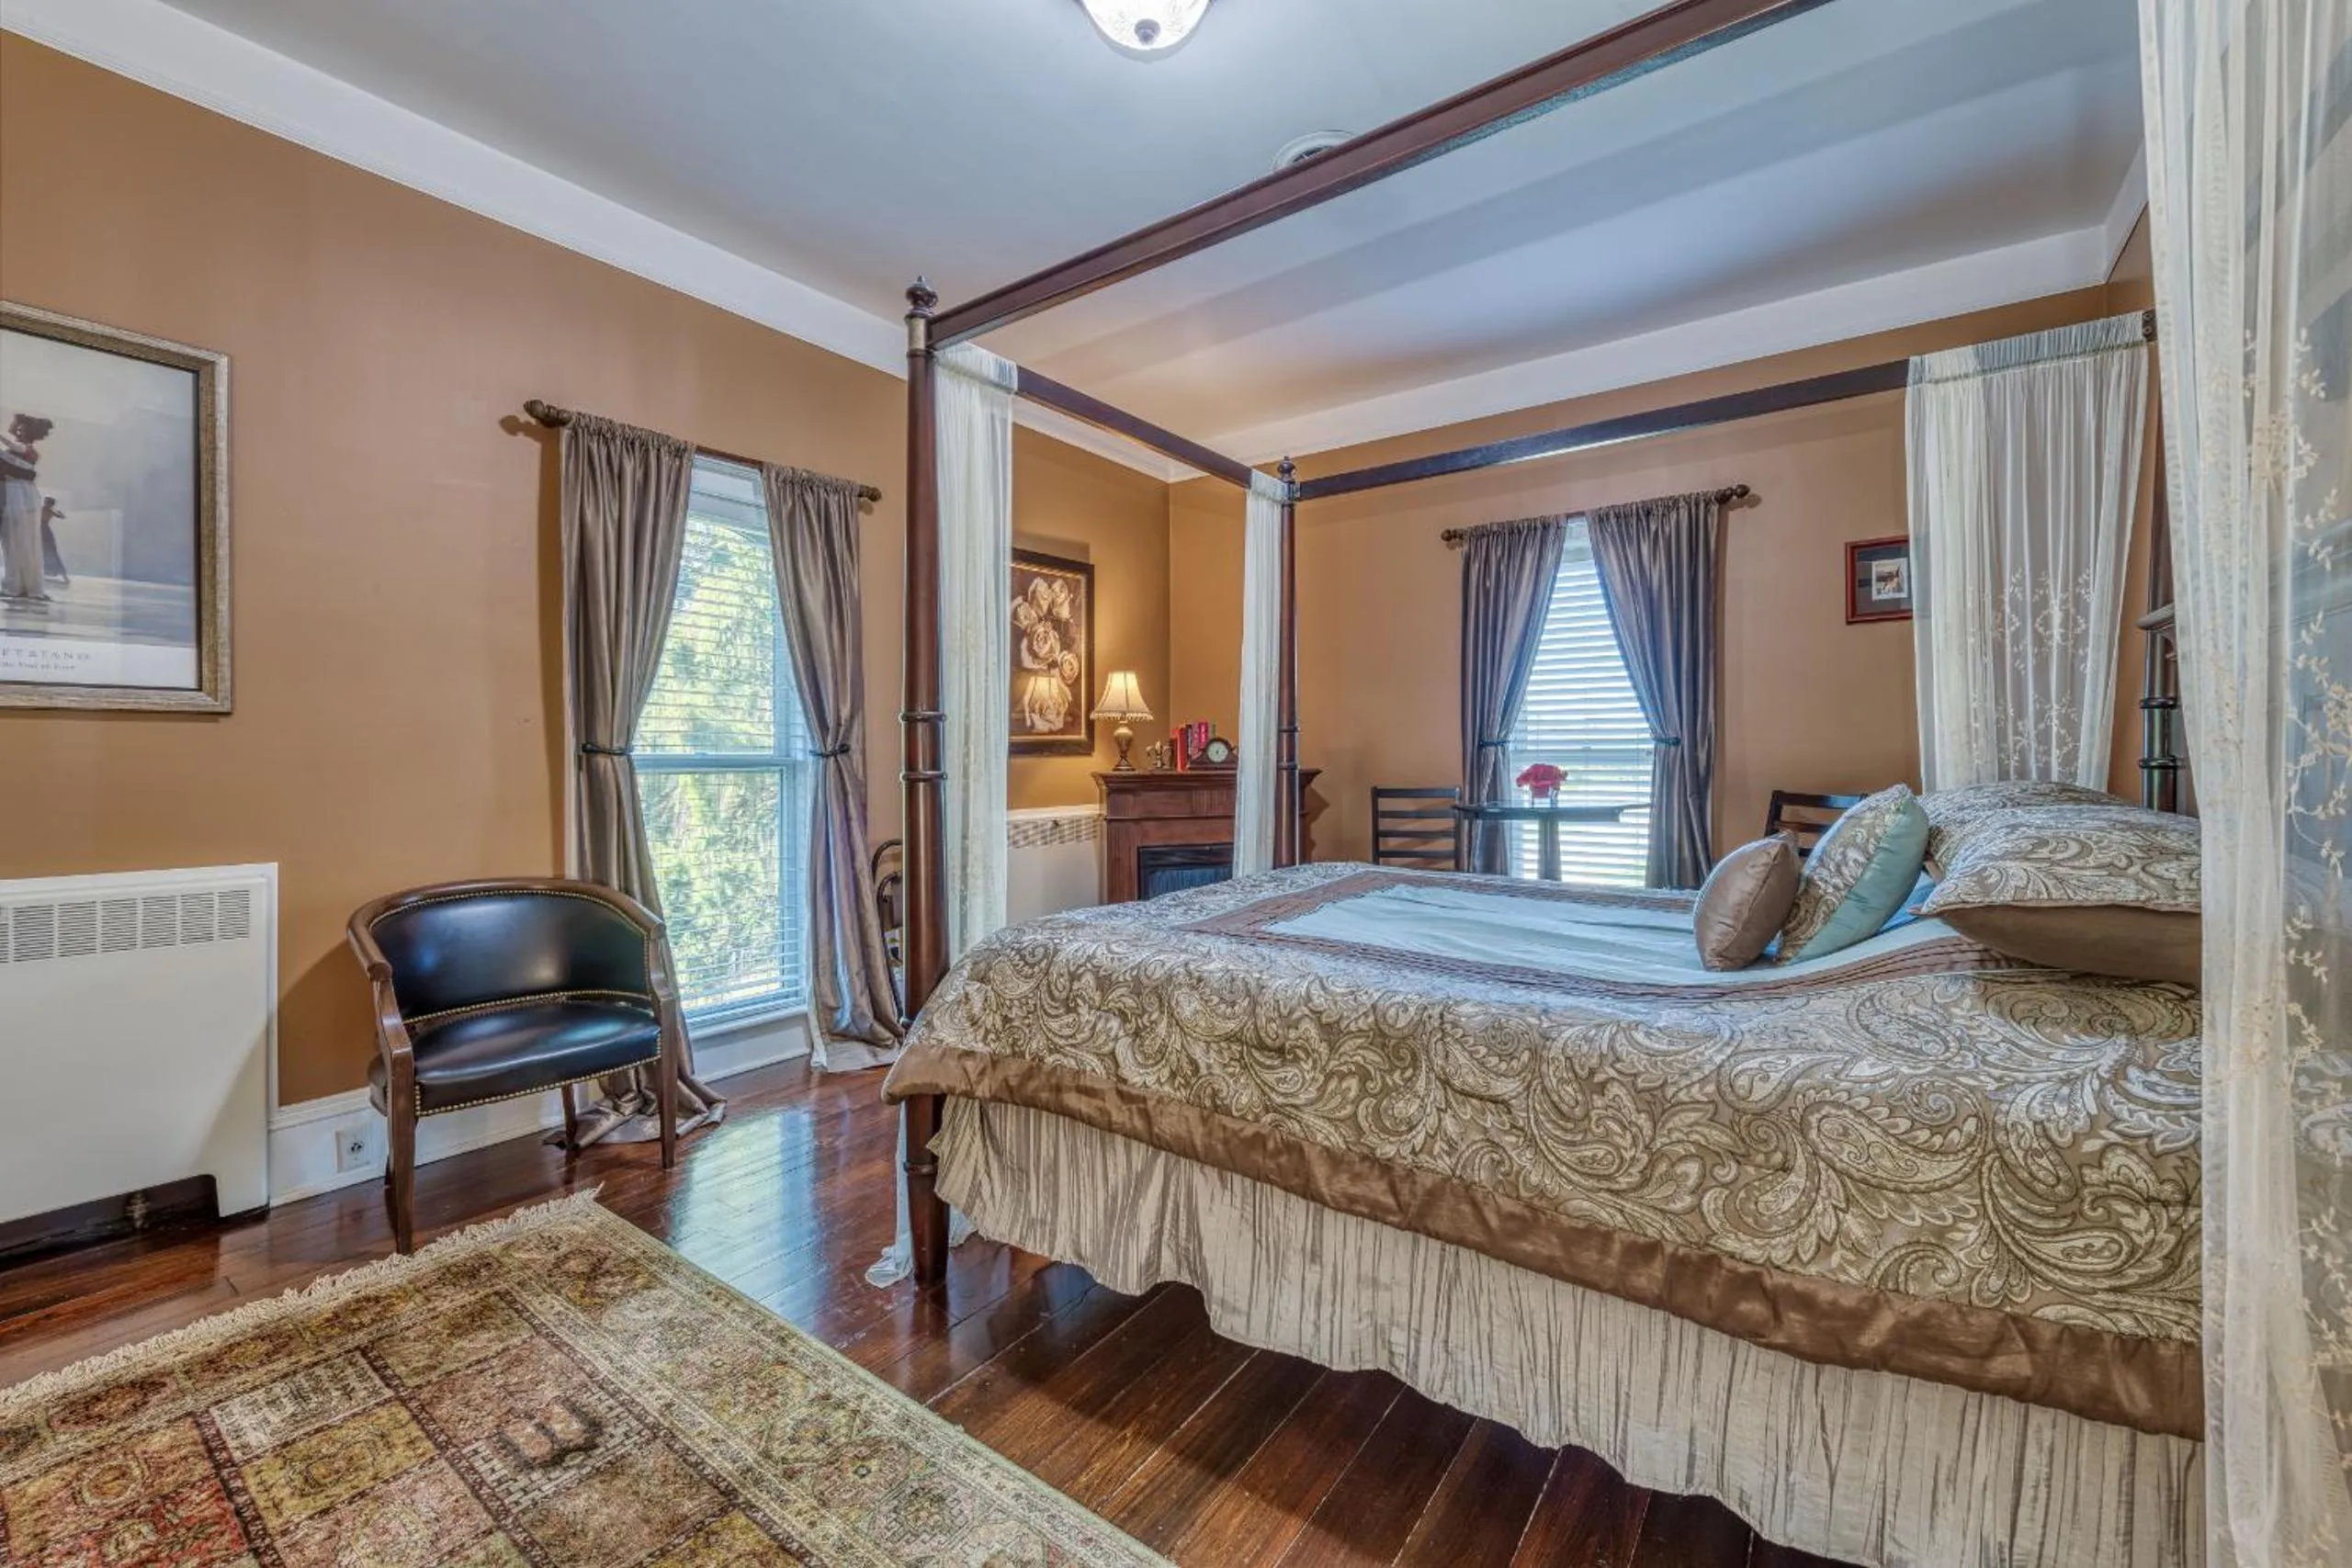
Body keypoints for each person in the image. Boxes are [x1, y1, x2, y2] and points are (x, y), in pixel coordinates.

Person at [0, 412, 54, 604]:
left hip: (21, 496)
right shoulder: (11, 454)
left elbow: (15, 449)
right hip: (17, 494)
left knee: (23, 542)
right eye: (19, 429)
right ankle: (19, 585)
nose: (19, 432)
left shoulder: (29, 451)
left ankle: (18, 586)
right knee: (15, 541)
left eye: (23, 430)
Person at [39, 496, 70, 587]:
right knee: (48, 552)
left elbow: (61, 516)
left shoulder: (47, 510)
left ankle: (58, 573)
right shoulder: (48, 510)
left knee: (50, 552)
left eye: (47, 502)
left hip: (43, 532)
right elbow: (61, 516)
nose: (46, 504)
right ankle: (56, 573)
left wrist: (60, 514)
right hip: (43, 532)